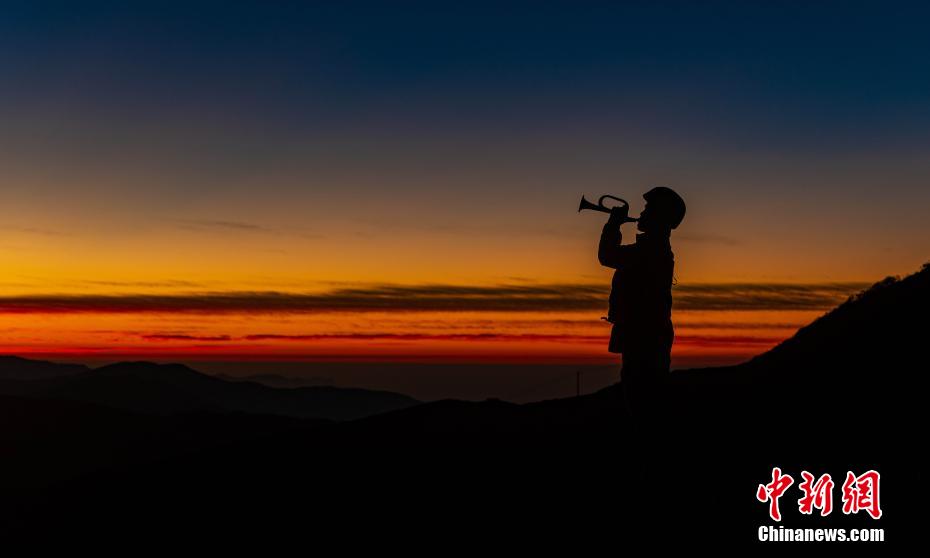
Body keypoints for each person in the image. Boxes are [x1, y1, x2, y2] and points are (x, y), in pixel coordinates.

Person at [597, 186, 686, 420]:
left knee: (642, 406)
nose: (642, 213)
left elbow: (607, 255)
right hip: (647, 336)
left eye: (648, 209)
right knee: (645, 403)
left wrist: (613, 224)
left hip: (644, 337)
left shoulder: (650, 250)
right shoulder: (653, 248)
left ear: (659, 216)